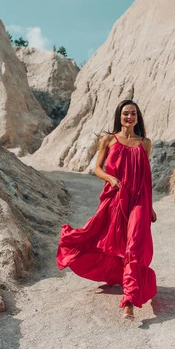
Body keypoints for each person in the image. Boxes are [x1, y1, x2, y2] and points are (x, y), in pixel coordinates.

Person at [56, 99, 157, 320]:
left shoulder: (145, 143)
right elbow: (97, 168)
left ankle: (129, 300)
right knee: (104, 238)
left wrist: (149, 207)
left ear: (137, 117)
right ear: (119, 117)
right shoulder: (109, 140)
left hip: (138, 199)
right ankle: (123, 279)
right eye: (125, 114)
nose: (129, 117)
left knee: (135, 245)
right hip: (116, 199)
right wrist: (110, 178)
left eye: (132, 114)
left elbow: (144, 178)